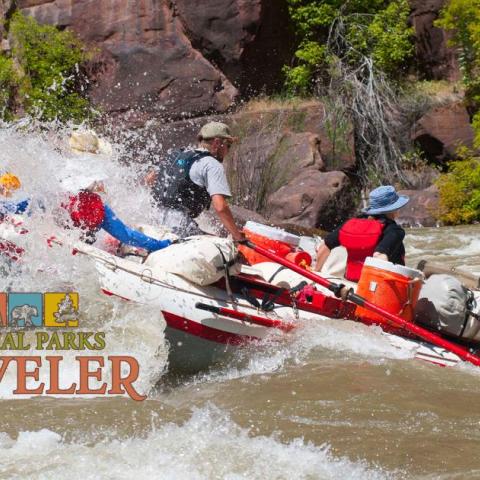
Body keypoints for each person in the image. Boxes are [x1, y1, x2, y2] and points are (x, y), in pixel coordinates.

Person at [146, 121, 245, 241]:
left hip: (152, 220)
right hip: (178, 226)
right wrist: (238, 236)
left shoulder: (177, 155)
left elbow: (149, 179)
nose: (228, 150)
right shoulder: (212, 164)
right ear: (217, 143)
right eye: (228, 145)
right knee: (226, 244)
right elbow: (220, 207)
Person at [315, 185, 409, 281]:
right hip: (374, 286)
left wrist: (316, 272)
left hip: (350, 280)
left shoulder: (353, 223)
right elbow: (379, 256)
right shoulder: (394, 230)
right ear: (394, 209)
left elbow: (325, 246)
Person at [63, 182, 172, 252]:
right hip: (85, 216)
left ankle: (159, 246)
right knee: (77, 246)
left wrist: (94, 185)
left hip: (99, 212)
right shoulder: (66, 200)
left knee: (126, 235)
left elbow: (99, 188)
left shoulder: (84, 176)